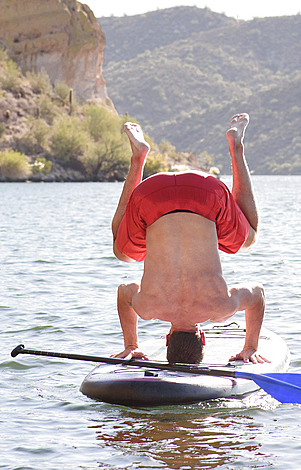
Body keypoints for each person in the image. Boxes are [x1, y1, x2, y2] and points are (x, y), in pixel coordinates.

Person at [110, 113, 267, 365]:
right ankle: (138, 158)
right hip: (152, 193)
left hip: (206, 191)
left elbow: (257, 295)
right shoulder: (146, 308)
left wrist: (250, 347)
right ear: (167, 338)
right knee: (122, 252)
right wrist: (131, 345)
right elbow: (123, 292)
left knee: (249, 239)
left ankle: (236, 149)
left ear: (202, 337)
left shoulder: (221, 308)